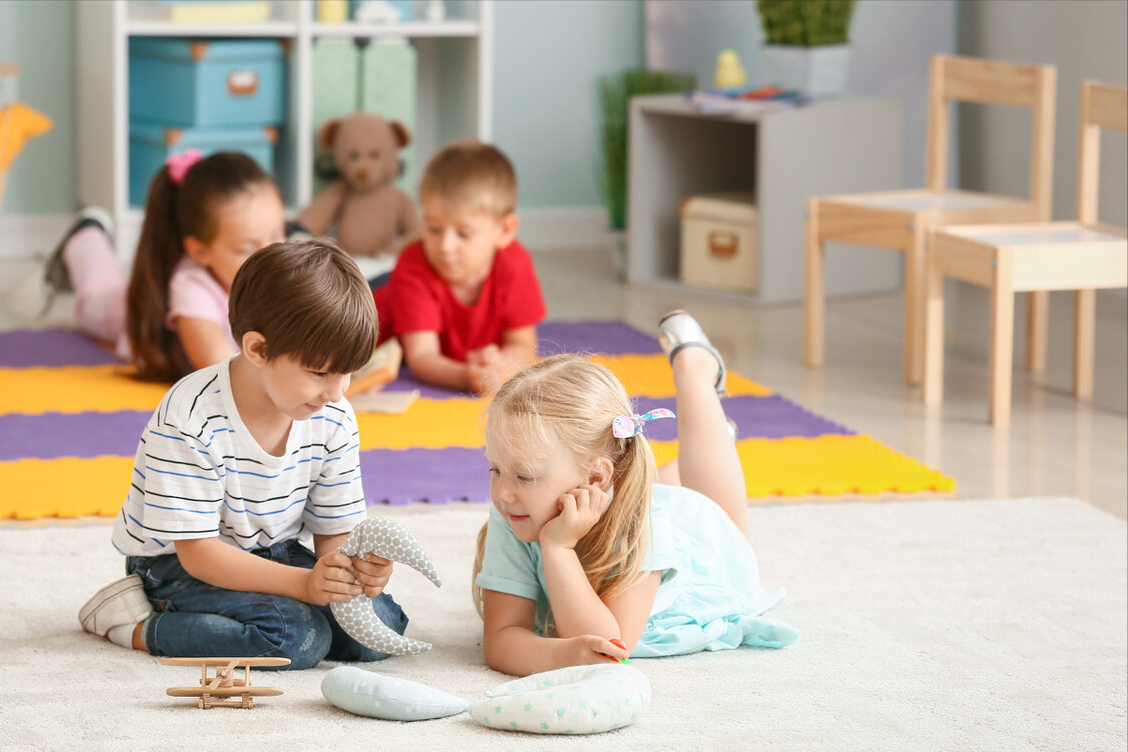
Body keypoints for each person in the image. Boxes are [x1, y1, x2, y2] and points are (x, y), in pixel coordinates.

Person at [76, 238, 409, 669]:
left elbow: (334, 531)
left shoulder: (333, 414)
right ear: (257, 350)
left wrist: (350, 571)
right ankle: (136, 624)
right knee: (297, 639)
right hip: (177, 563)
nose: (338, 391)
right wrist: (306, 585)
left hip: (273, 550)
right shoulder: (191, 418)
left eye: (350, 372)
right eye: (320, 372)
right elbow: (199, 554)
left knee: (378, 631)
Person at [472, 310, 798, 676]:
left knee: (722, 522)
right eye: (495, 468)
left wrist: (558, 547)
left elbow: (610, 645)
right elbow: (501, 639)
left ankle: (695, 370)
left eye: (524, 475)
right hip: (622, 495)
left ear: (595, 477)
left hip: (705, 549)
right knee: (661, 484)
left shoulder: (642, 523)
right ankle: (707, 442)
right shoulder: (514, 510)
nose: (501, 492)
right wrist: (562, 656)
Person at [41, 149, 286, 381]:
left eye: (277, 235)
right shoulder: (192, 288)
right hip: (119, 311)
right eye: (245, 249)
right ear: (199, 251)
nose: (270, 255)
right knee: (94, 289)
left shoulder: (280, 273)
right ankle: (86, 234)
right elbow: (220, 370)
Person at [374, 140, 546, 395]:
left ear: (505, 230)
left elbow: (523, 343)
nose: (445, 246)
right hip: (376, 305)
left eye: (464, 234)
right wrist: (466, 377)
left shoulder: (515, 263)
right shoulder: (412, 265)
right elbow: (421, 356)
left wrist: (498, 364)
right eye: (433, 229)